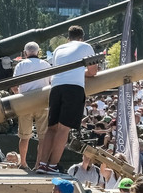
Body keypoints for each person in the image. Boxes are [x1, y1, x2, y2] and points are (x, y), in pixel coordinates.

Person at [35, 25, 98, 174]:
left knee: (51, 128)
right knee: (64, 129)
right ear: (82, 38)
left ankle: (42, 164)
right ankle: (53, 165)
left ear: (68, 38)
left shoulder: (58, 49)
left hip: (56, 88)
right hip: (73, 88)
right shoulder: (86, 46)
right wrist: (82, 73)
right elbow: (93, 71)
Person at [10, 41, 51, 170]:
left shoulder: (21, 65)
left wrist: (18, 94)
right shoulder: (46, 64)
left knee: (24, 136)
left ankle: (23, 162)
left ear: (25, 52)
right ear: (38, 52)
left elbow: (14, 85)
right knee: (43, 137)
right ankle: (39, 164)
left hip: (25, 103)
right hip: (43, 103)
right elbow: (51, 83)